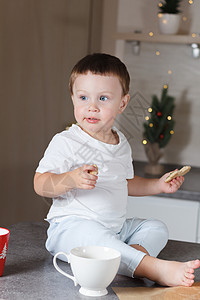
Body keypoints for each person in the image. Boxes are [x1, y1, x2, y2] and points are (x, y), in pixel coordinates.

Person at [34, 53, 199, 287]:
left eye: (103, 98)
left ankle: (129, 260)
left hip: (115, 230)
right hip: (72, 228)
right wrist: (70, 179)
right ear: (73, 98)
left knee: (155, 227)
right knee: (95, 237)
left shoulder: (120, 143)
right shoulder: (66, 142)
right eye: (83, 97)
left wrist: (157, 185)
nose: (91, 107)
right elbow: (40, 183)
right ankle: (153, 268)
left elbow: (125, 183)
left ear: (122, 103)